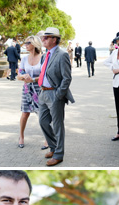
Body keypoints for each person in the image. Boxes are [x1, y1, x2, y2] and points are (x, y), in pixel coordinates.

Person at [37, 27, 75, 166]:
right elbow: (44, 74)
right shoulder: (44, 55)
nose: (43, 40)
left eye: (46, 38)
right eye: (43, 37)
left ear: (54, 39)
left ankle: (59, 154)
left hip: (54, 94)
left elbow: (67, 78)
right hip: (43, 93)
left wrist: (59, 94)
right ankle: (53, 148)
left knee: (58, 126)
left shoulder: (62, 55)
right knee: (43, 122)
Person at [17, 35, 44, 148]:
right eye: (25, 43)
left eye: (28, 43)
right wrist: (23, 76)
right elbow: (18, 75)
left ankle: (47, 138)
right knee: (25, 113)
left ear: (34, 44)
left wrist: (33, 79)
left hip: (40, 89)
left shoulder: (43, 58)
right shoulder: (24, 59)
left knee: (42, 115)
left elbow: (45, 75)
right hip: (27, 89)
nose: (25, 45)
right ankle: (21, 136)